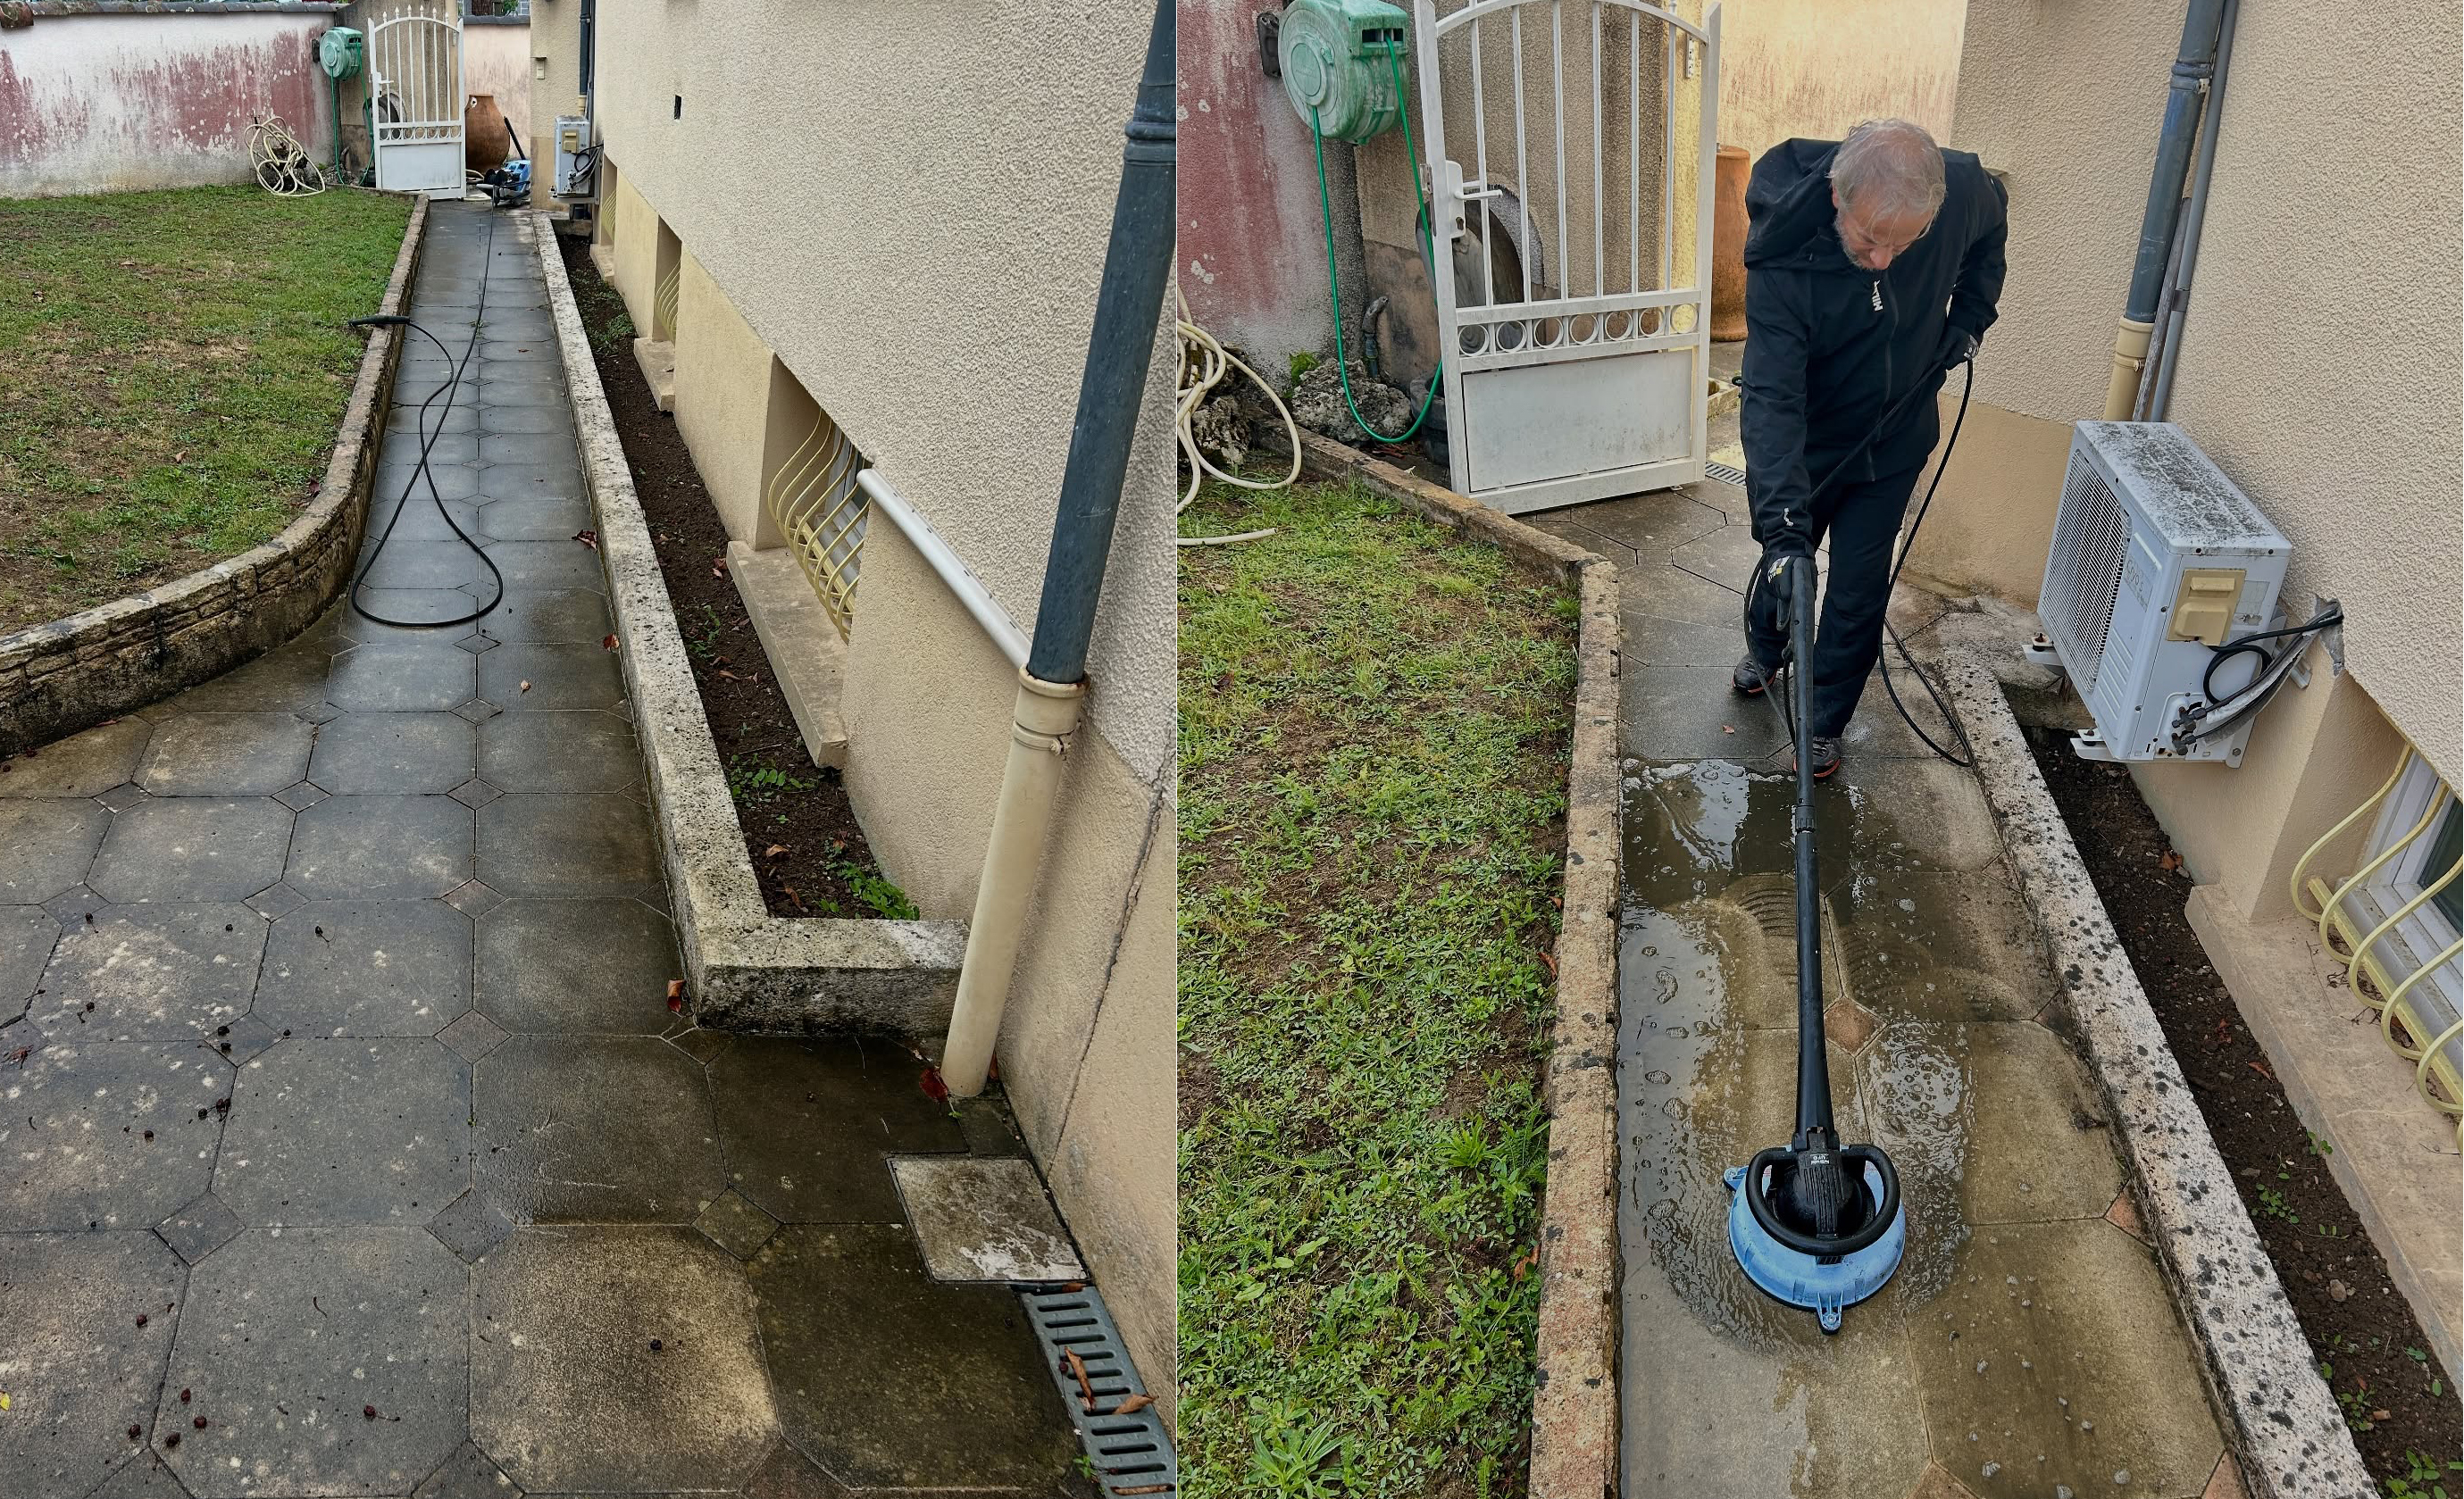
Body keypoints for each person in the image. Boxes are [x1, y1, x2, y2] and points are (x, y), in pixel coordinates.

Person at [1732, 118, 2007, 779]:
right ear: (1836, 197)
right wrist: (1783, 526)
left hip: (1897, 433)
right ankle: (1766, 647)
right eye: (1869, 238)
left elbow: (1991, 236)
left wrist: (1967, 320)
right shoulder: (1781, 261)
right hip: (1814, 439)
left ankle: (1823, 722)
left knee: (1857, 588)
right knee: (1786, 560)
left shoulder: (1962, 189)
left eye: (1902, 243)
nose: (1883, 258)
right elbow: (1769, 400)